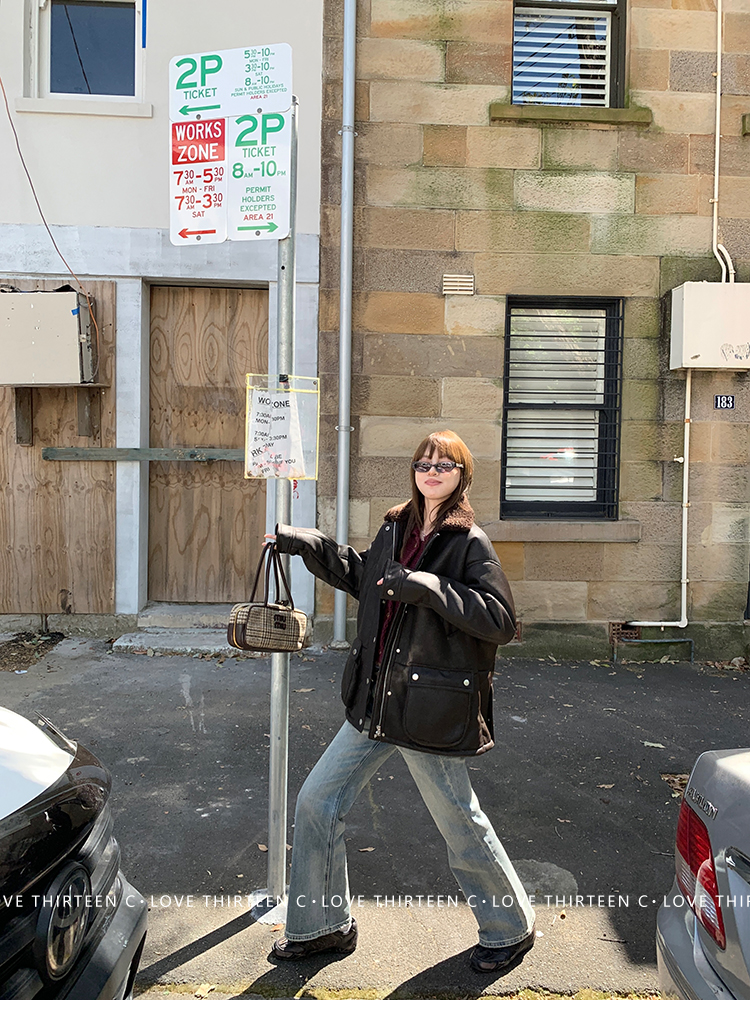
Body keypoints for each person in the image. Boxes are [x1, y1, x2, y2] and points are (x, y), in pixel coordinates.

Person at [266, 429, 535, 974]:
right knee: (317, 802)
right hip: (376, 699)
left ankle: (510, 926)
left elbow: (501, 620)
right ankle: (322, 926)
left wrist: (429, 587)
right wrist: (311, 545)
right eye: (424, 464)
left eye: (444, 465)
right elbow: (367, 578)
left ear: (462, 475)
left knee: (459, 820)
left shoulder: (469, 541)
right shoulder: (396, 526)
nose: (432, 472)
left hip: (427, 706)